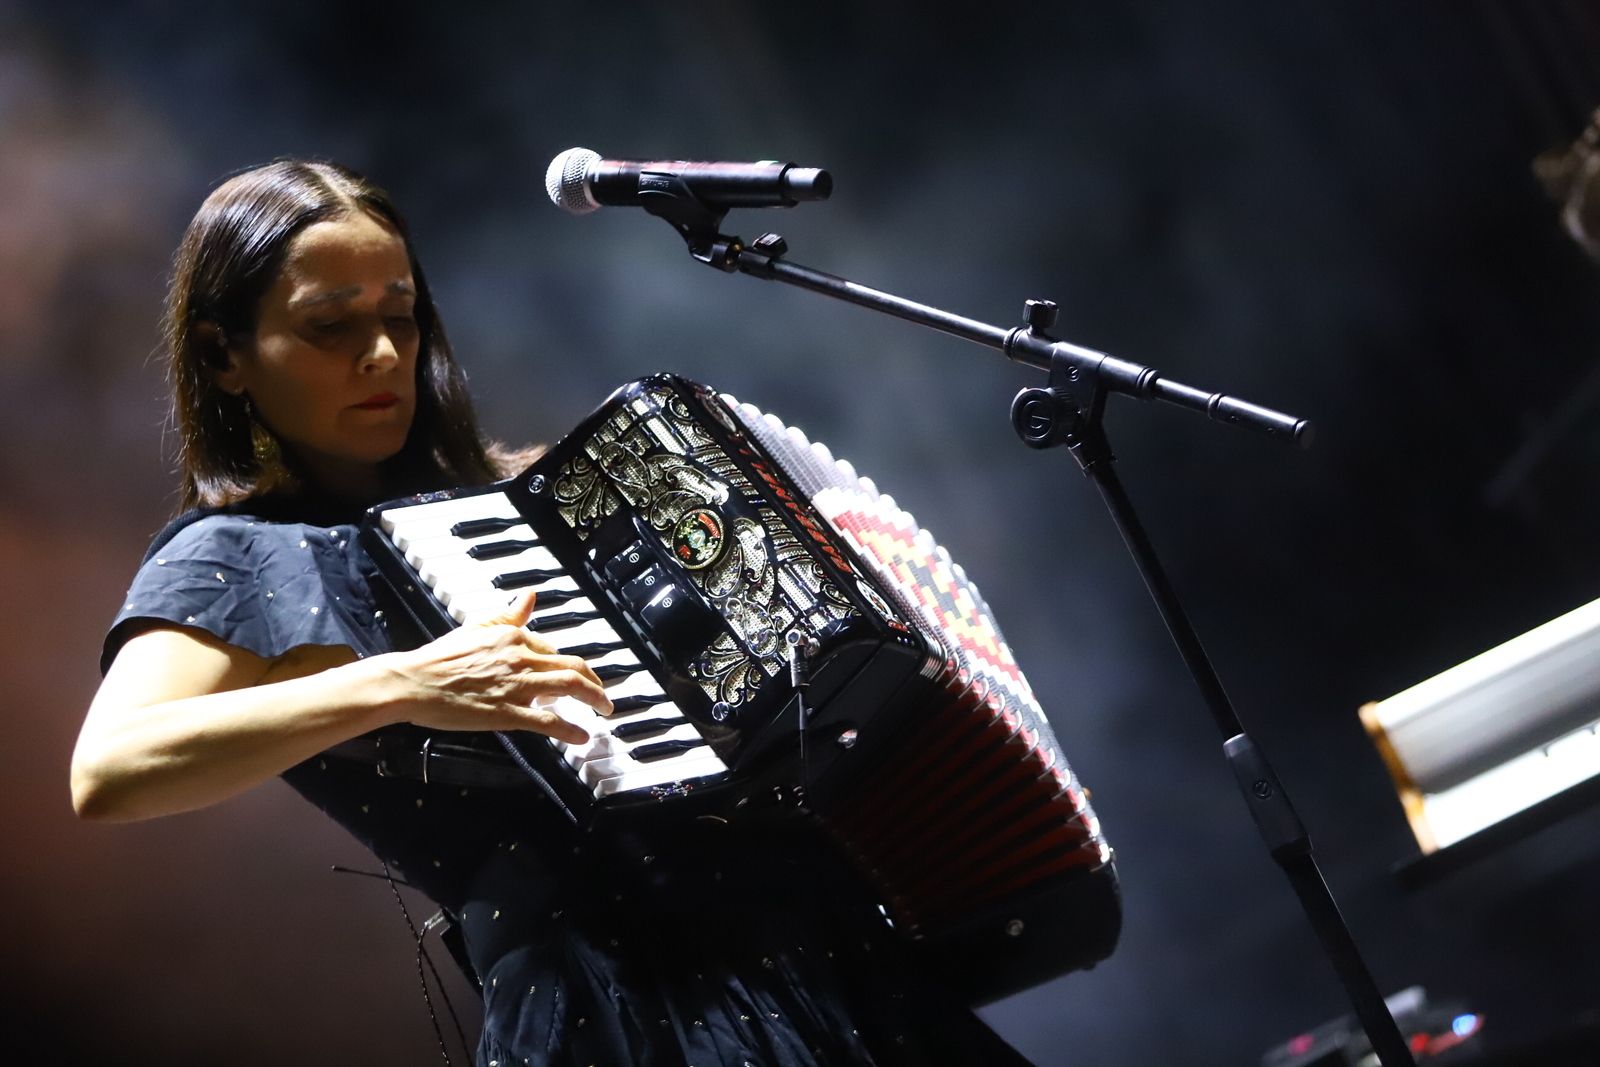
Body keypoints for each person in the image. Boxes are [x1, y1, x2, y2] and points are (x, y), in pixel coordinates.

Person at [72, 159, 1036, 1066]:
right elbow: (112, 769)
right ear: (224, 356)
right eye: (330, 326)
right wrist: (405, 681)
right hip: (616, 1003)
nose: (381, 353)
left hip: (817, 947)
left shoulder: (526, 499)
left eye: (401, 317)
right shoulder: (234, 552)